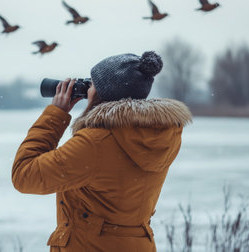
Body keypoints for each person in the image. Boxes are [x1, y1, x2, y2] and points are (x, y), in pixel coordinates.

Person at [12, 51, 192, 251]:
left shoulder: (95, 143)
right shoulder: (160, 135)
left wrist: (56, 115)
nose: (88, 89)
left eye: (92, 84)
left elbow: (24, 175)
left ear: (103, 93)